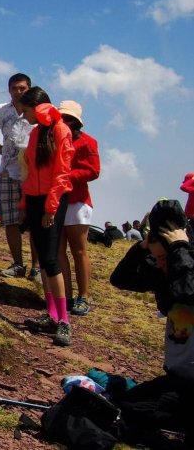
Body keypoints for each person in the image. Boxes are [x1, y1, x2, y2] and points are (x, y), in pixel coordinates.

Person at [109, 199, 194, 448]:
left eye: (162, 259)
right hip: (181, 382)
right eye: (156, 259)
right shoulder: (167, 270)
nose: (159, 264)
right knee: (129, 406)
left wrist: (180, 248)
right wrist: (141, 247)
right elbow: (120, 279)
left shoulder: (185, 270)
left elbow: (187, 291)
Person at [18, 87, 75, 347]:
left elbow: (63, 172)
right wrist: (25, 201)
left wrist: (51, 208)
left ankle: (64, 320)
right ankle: (51, 314)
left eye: (26, 110)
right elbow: (29, 170)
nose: (23, 114)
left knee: (51, 259)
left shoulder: (61, 130)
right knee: (42, 257)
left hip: (53, 199)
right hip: (35, 199)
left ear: (37, 108)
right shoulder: (36, 132)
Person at [0, 72, 39, 279]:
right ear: (9, 90)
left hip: (32, 173)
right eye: (14, 88)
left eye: (22, 88)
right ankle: (18, 264)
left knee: (35, 220)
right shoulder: (1, 110)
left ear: (29, 89)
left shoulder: (37, 112)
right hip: (7, 170)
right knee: (10, 220)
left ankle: (37, 267)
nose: (18, 92)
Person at [54, 100, 100, 317]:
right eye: (62, 117)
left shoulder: (88, 142)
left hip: (77, 200)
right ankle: (67, 295)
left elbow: (93, 170)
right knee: (58, 250)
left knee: (78, 250)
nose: (65, 121)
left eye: (69, 118)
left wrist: (66, 176)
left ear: (77, 121)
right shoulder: (52, 138)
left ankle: (84, 296)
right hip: (54, 200)